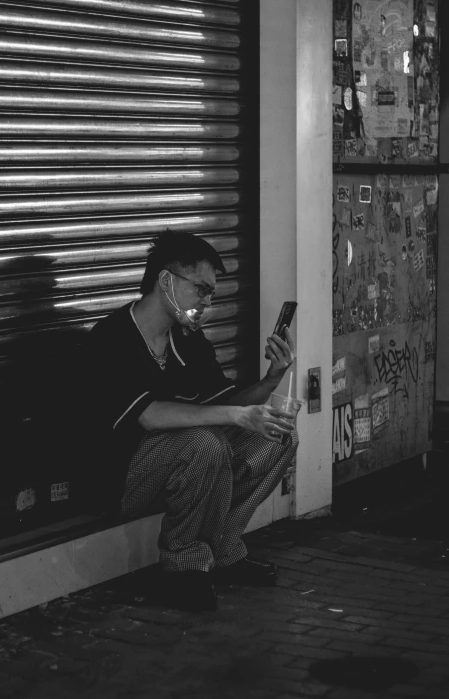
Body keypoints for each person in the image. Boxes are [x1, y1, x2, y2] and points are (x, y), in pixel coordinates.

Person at [80, 230, 298, 611]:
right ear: (166, 281)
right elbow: (149, 415)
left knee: (279, 436)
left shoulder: (188, 339)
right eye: (201, 289)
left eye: (211, 293)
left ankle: (225, 550)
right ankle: (182, 567)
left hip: (185, 464)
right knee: (204, 443)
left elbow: (226, 400)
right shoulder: (112, 338)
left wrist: (270, 379)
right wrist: (235, 415)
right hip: (123, 475)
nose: (207, 301)